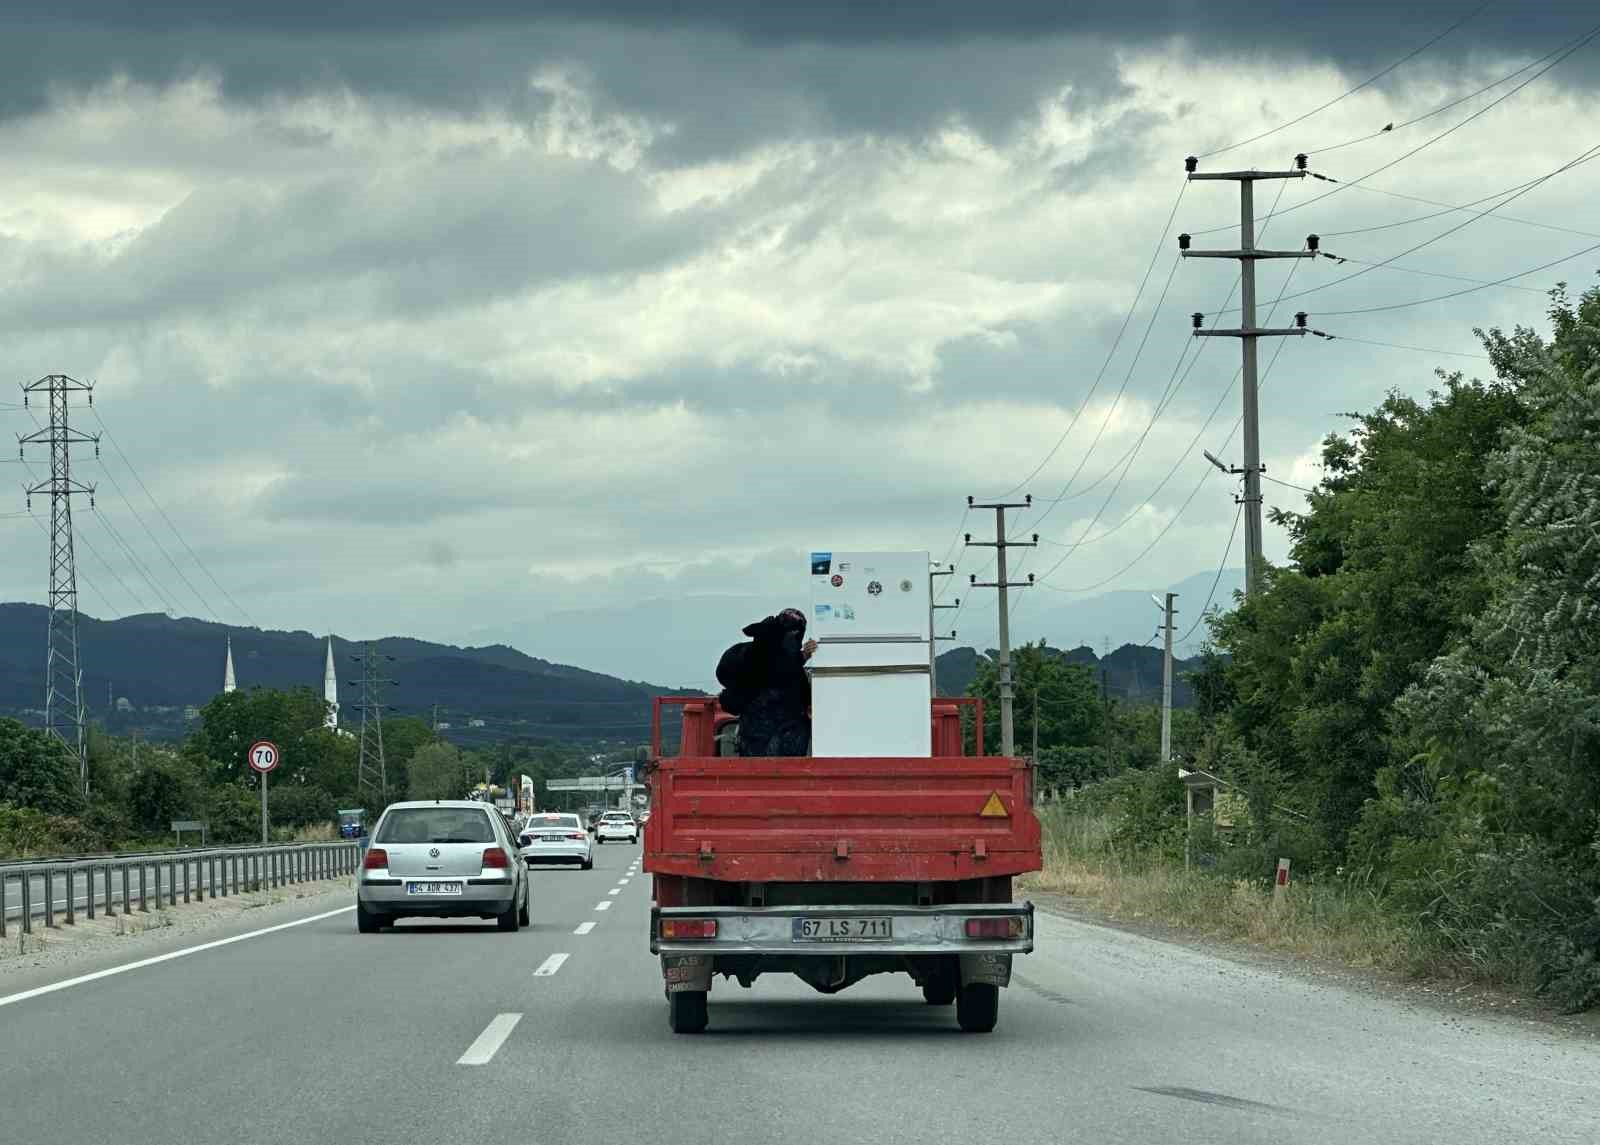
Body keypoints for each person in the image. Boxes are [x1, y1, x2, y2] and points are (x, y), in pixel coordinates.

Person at [729, 607, 817, 757]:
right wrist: (803, 656)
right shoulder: (780, 659)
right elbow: (779, 672)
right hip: (779, 733)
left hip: (752, 732)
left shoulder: (754, 653)